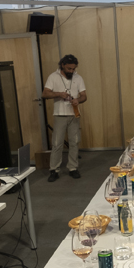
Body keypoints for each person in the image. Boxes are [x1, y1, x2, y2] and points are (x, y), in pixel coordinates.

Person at [43, 54, 87, 182]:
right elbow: (45, 93)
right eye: (69, 69)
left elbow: (84, 95)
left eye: (73, 69)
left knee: (75, 142)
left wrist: (78, 100)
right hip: (59, 114)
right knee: (57, 143)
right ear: (62, 65)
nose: (71, 71)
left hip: (74, 114)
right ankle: (54, 170)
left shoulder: (78, 78)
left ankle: (73, 168)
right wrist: (59, 94)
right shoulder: (53, 77)